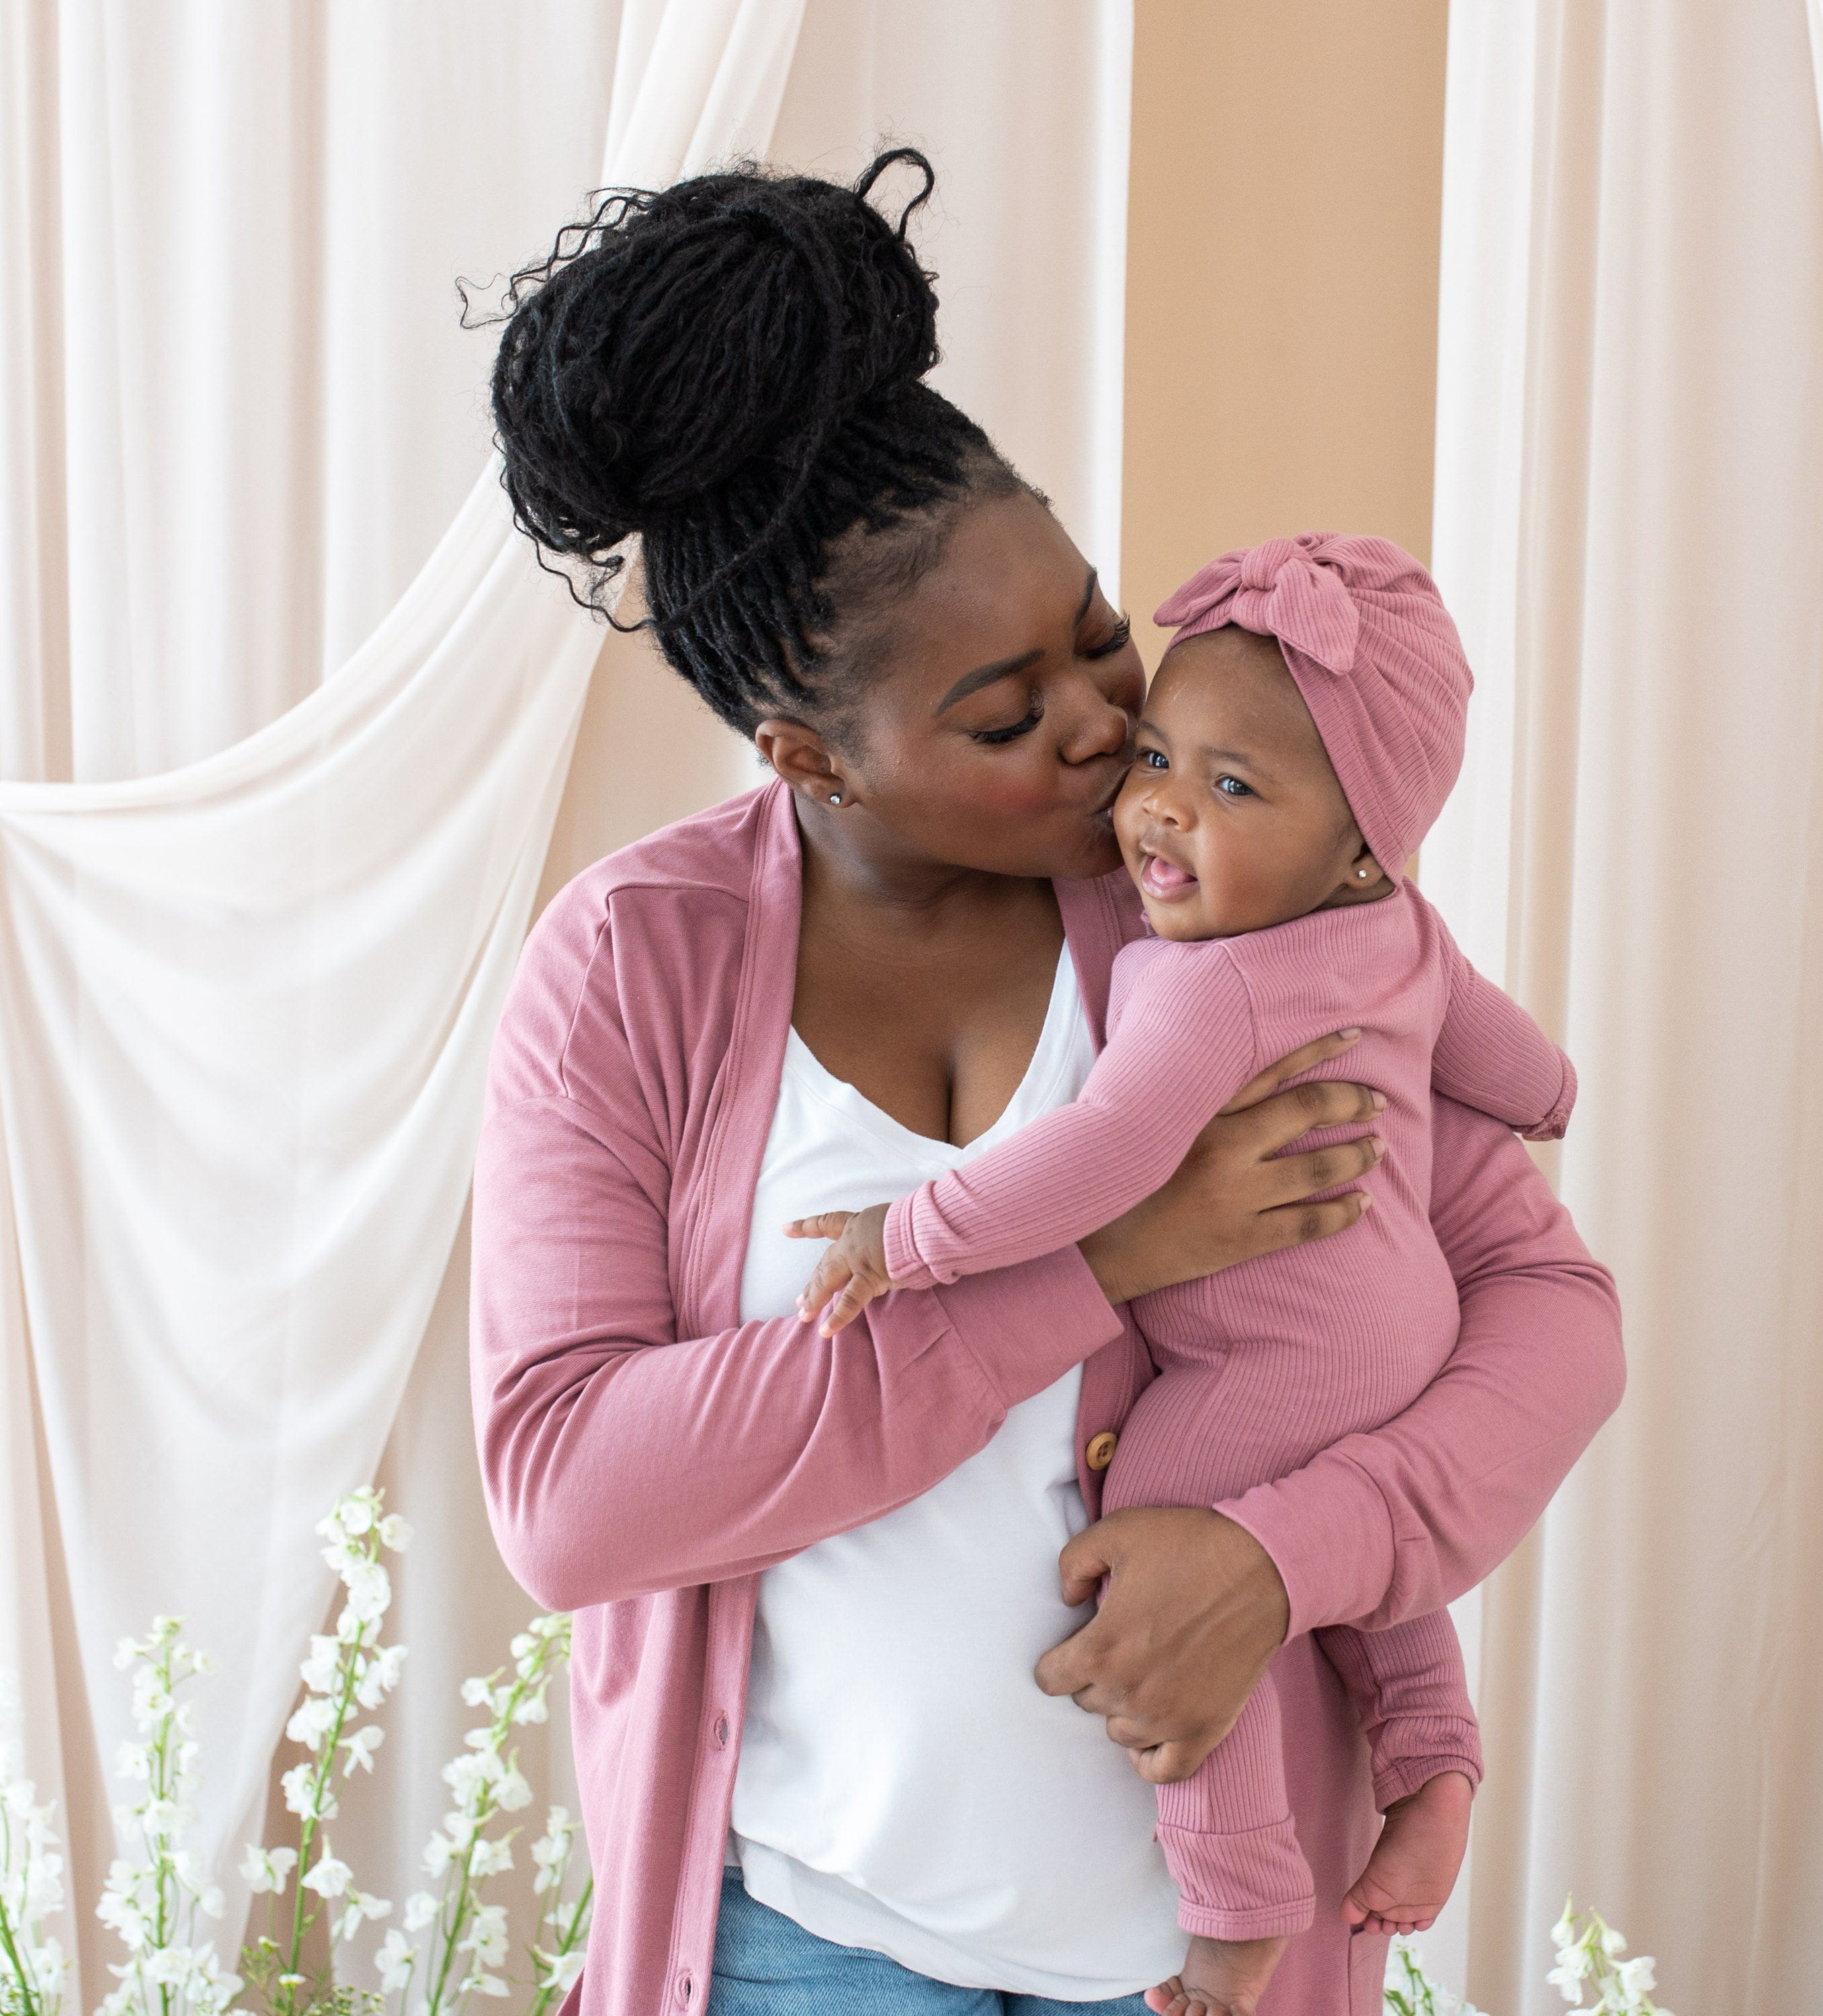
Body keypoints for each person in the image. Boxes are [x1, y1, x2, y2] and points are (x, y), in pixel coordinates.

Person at [468, 149, 1623, 2016]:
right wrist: (1105, 1260)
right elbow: (568, 1492)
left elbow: (1553, 1309)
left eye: (1100, 634)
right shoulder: (632, 971)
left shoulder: (1217, 915)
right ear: (810, 754)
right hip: (803, 1946)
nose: (1111, 728)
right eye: (1008, 715)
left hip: (1203, 1965)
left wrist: (1279, 1557)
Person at [786, 531, 1576, 2016]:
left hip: (1270, 1357)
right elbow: (1501, 1048)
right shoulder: (1401, 932)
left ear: (1358, 844)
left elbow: (1102, 1156)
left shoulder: (1210, 991)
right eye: (1162, 755)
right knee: (1367, 1561)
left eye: (1232, 789)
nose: (1157, 807)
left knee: (1161, 1540)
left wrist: (911, 1238)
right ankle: (1433, 1760)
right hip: (1397, 1320)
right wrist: (1552, 1102)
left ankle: (1236, 1899)